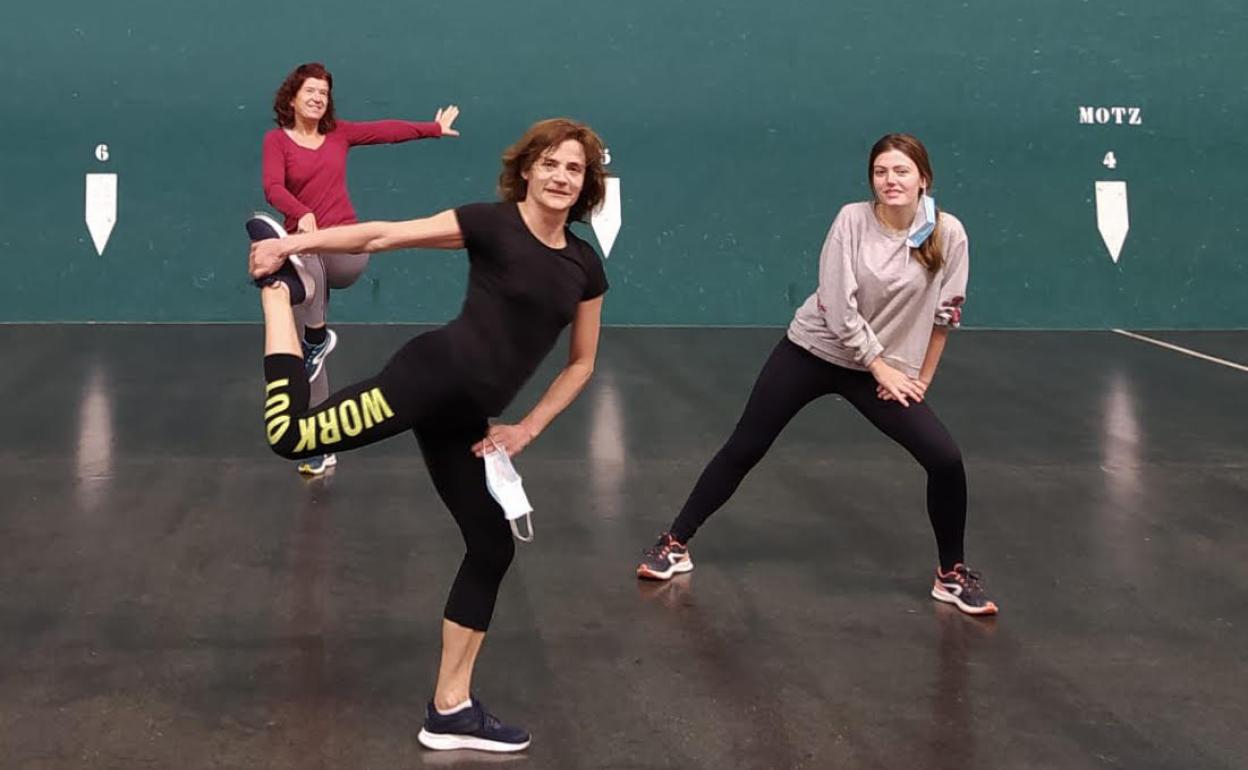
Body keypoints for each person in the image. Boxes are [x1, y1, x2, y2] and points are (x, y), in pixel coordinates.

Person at [248, 118, 610, 749]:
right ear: (527, 169)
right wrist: (292, 248)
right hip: (429, 379)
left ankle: (450, 708)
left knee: (491, 547)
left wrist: (527, 428)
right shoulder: (492, 224)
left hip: (466, 416)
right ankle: (280, 295)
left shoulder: (584, 264)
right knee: (290, 434)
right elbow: (385, 235)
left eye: (574, 168)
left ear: (586, 184)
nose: (560, 176)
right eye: (550, 163)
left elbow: (581, 362)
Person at [636, 133, 998, 616]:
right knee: (746, 445)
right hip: (814, 350)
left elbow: (946, 314)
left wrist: (920, 378)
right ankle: (675, 543)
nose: (890, 180)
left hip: (882, 369)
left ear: (923, 180)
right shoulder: (852, 219)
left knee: (945, 459)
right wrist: (879, 366)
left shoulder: (948, 233)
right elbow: (837, 307)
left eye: (901, 171)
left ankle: (951, 573)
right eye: (881, 172)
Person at [259, 61, 461, 475]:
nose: (318, 98)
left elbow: (386, 131)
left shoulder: (339, 134)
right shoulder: (276, 141)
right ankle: (318, 447)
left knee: (309, 276)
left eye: (324, 93)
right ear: (292, 98)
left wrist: (433, 128)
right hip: (305, 253)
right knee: (304, 352)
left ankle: (316, 337)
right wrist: (301, 212)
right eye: (310, 91)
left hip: (345, 251)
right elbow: (273, 187)